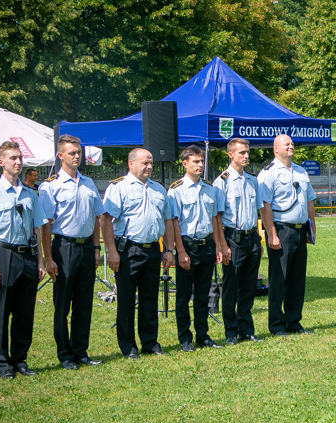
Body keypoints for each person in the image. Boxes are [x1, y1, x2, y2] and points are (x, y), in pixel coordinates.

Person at [0, 141, 47, 379]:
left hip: (27, 254)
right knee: (2, 311)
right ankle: (2, 363)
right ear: (1, 162)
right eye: (12, 158)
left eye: (19, 158)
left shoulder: (30, 193)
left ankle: (20, 360)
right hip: (5, 254)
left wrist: (40, 261)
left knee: (25, 312)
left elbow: (37, 228)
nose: (18, 162)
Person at [39, 135, 106, 370]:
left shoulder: (88, 183)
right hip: (63, 247)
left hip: (87, 246)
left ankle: (81, 350)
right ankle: (65, 354)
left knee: (84, 303)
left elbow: (97, 216)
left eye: (78, 152)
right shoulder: (50, 186)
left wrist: (97, 247)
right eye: (71, 153)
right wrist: (48, 258)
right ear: (60, 155)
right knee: (63, 303)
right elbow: (46, 225)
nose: (76, 156)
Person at [101, 148, 175, 359]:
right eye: (145, 163)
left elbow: (168, 220)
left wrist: (169, 250)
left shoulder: (159, 189)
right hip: (128, 249)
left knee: (150, 299)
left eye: (151, 163)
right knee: (126, 300)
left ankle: (150, 342)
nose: (149, 167)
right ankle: (128, 346)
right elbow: (105, 221)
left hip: (153, 249)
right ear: (131, 164)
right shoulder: (119, 188)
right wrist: (112, 252)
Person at [167, 145, 229, 351]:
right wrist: (181, 251)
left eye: (201, 161)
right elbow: (174, 223)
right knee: (184, 296)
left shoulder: (210, 189)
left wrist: (218, 246)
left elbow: (214, 220)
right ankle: (185, 338)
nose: (200, 165)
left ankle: (203, 336)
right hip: (187, 246)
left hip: (206, 246)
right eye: (195, 162)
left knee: (204, 295)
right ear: (184, 164)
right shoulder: (176, 189)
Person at [258, 134, 317, 336]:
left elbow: (309, 201)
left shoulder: (301, 171)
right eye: (286, 143)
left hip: (300, 230)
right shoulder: (269, 173)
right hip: (281, 230)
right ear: (275, 149)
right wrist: (271, 234)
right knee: (279, 278)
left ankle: (294, 322)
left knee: (297, 279)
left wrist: (311, 229)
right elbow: (265, 206)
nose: (291, 145)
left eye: (292, 143)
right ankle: (276, 324)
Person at [214, 138, 265, 342]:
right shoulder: (222, 181)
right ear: (230, 154)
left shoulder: (253, 181)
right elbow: (216, 217)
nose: (246, 156)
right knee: (231, 286)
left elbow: (256, 213)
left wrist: (258, 240)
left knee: (248, 286)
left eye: (247, 152)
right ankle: (230, 331)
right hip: (232, 239)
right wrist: (222, 245)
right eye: (241, 152)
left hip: (251, 237)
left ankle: (246, 329)